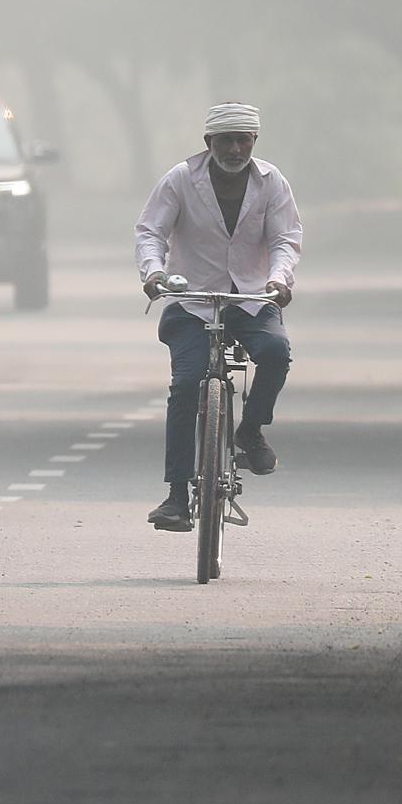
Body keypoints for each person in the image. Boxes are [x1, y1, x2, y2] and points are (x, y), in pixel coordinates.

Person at [134, 102, 302, 532]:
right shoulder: (180, 180)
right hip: (191, 299)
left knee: (277, 351)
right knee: (186, 385)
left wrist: (280, 280)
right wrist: (153, 272)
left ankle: (250, 431)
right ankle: (176, 495)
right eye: (226, 140)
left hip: (251, 297)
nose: (235, 148)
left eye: (243, 140)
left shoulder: (272, 182)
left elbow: (285, 238)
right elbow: (150, 231)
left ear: (254, 142)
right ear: (208, 143)